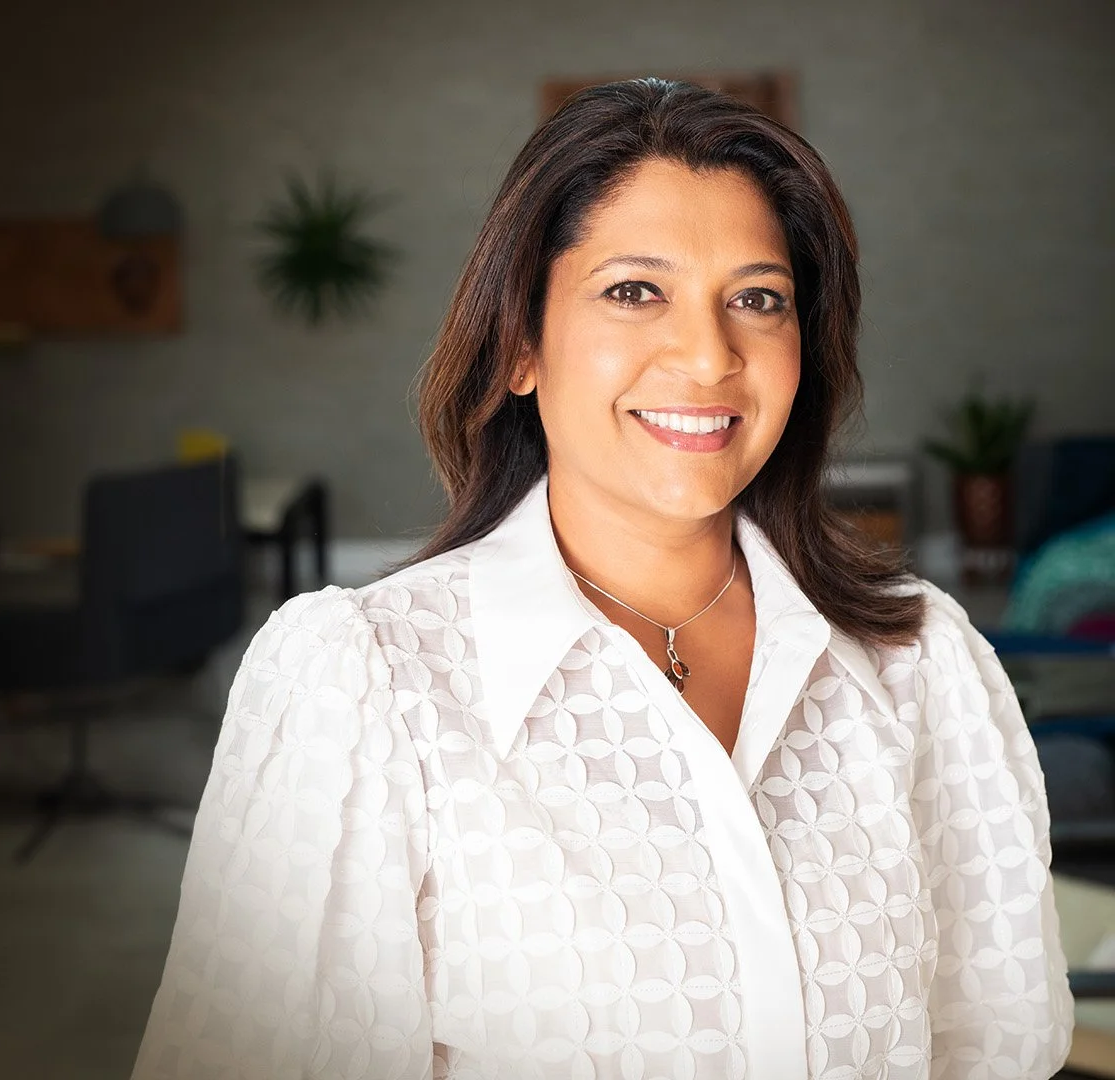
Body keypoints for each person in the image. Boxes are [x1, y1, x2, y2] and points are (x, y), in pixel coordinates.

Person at [131, 79, 1071, 1080]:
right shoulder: (368, 686)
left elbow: (993, 1049)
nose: (708, 357)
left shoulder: (918, 662)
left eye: (757, 299)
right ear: (520, 345)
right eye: (634, 292)